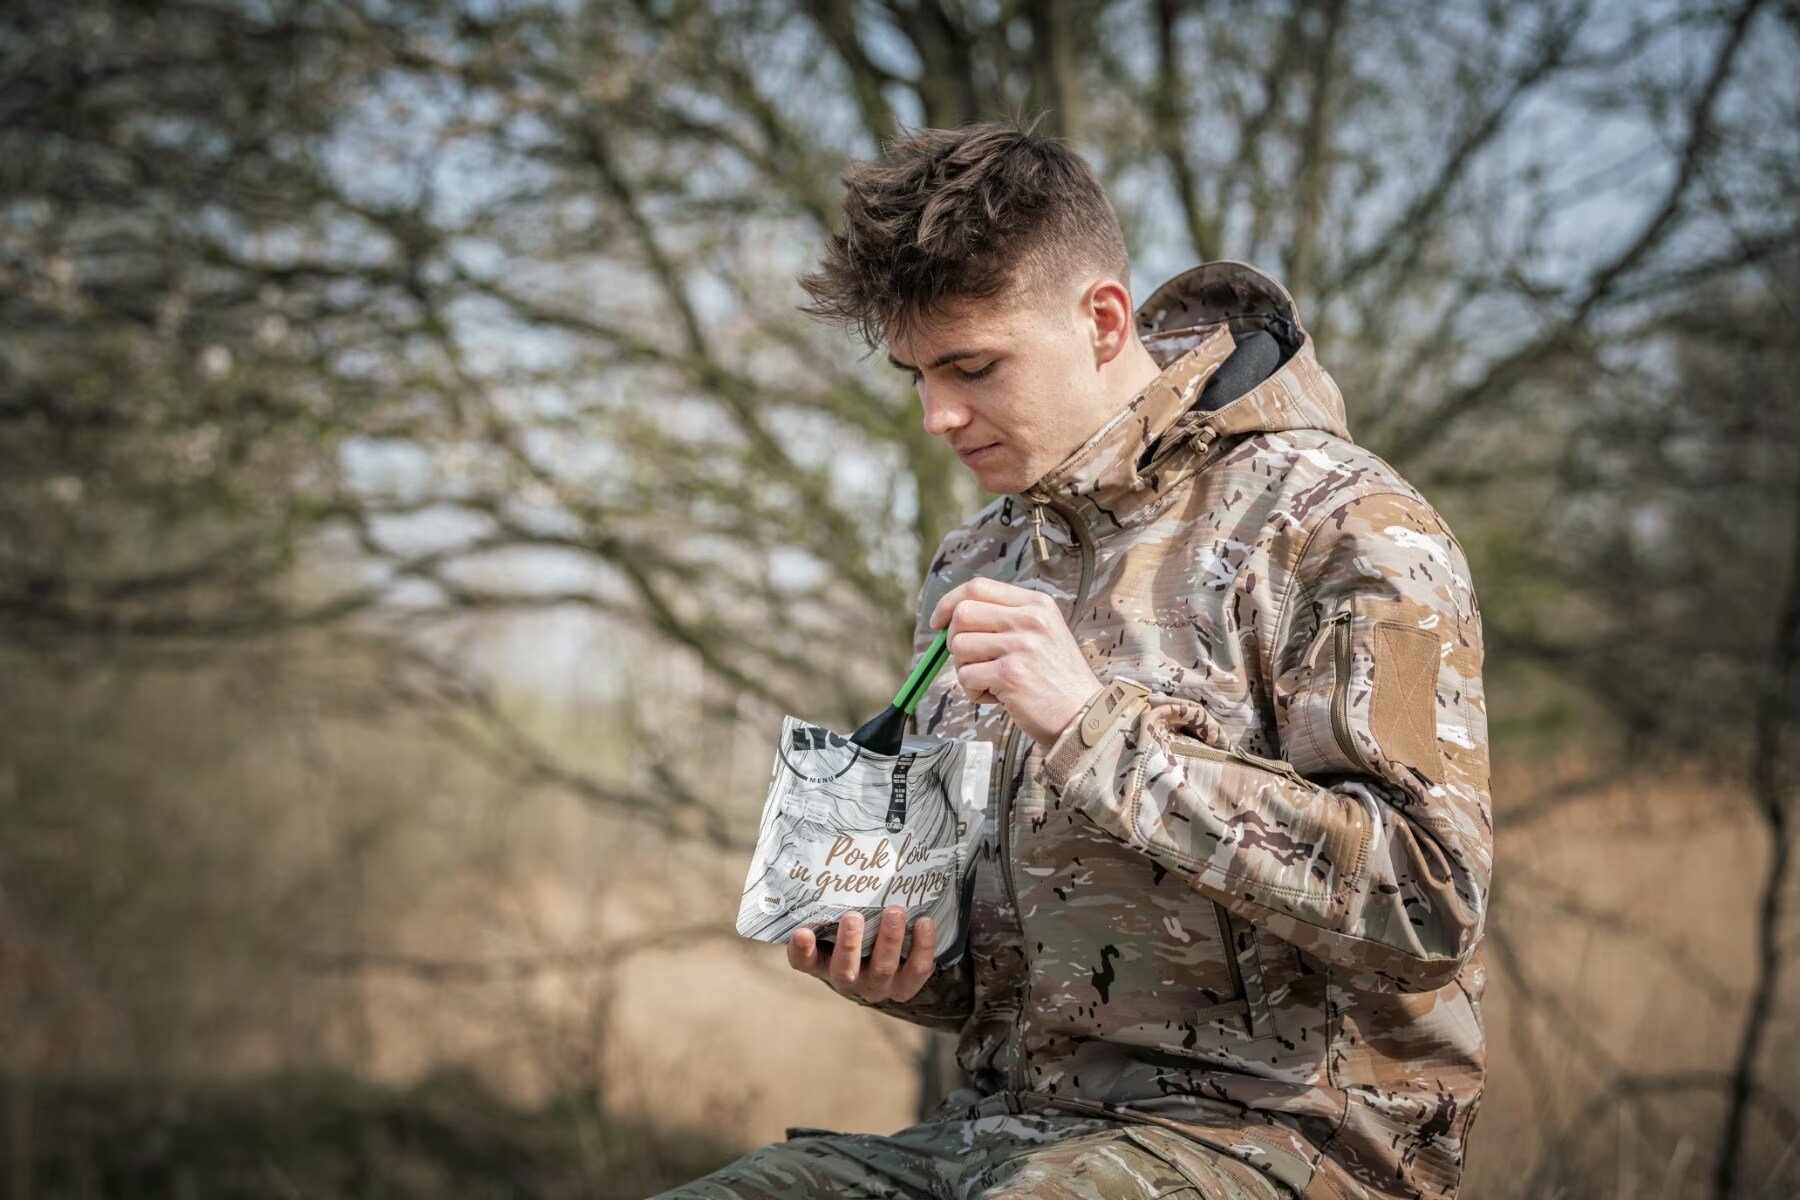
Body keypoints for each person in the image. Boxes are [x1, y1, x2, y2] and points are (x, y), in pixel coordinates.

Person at [655, 118, 1492, 1200]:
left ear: (1102, 320)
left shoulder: (1343, 524)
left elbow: (1428, 905)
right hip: (1004, 1132)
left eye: (973, 366)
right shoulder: (979, 556)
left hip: (1288, 1142)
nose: (936, 415)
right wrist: (905, 964)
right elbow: (997, 972)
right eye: (916, 373)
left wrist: (1091, 729)